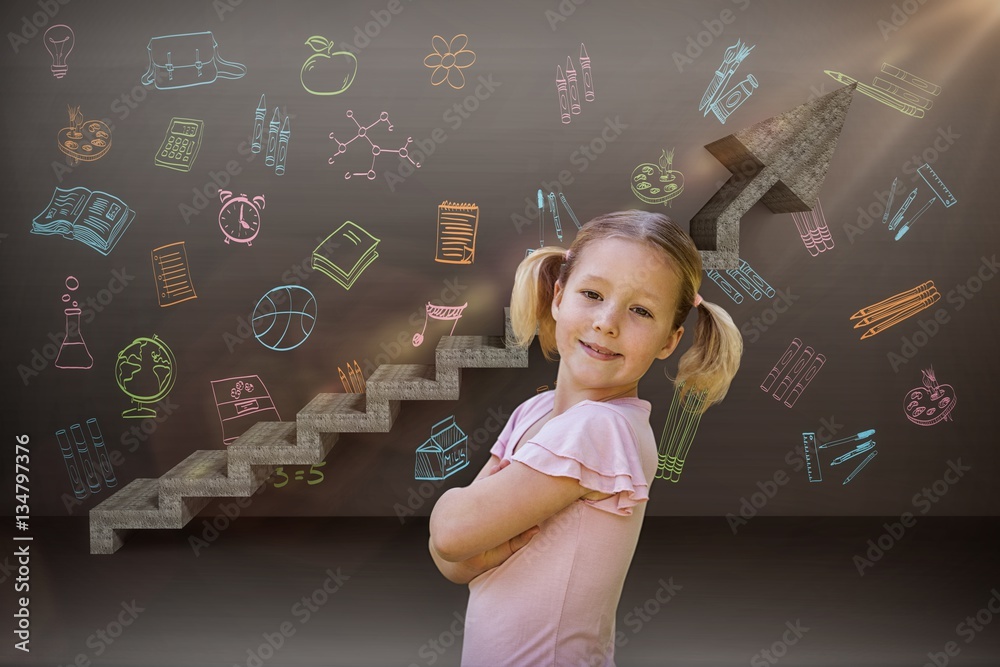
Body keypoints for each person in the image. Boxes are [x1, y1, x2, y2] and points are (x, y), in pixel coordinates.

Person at [428, 210, 743, 666]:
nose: (607, 322)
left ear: (669, 341)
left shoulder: (602, 429)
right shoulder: (533, 413)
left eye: (641, 310)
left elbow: (453, 534)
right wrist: (462, 539)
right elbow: (456, 562)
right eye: (592, 294)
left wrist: (448, 512)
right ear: (558, 296)